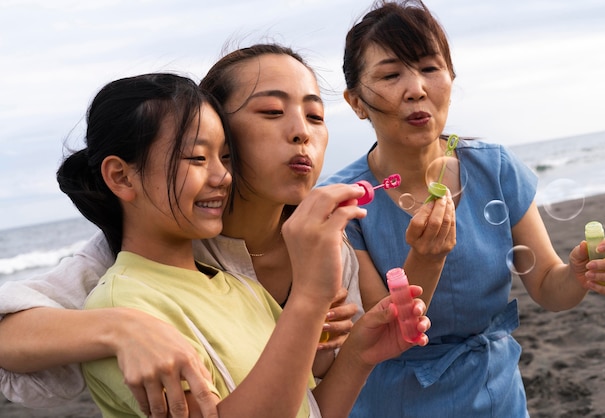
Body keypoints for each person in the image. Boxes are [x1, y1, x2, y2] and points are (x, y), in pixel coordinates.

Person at [0, 43, 420, 417]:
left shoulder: (306, 255)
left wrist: (351, 352)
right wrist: (123, 328)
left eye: (316, 115)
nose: (301, 132)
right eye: (272, 111)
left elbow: (306, 403)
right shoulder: (130, 272)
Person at [319, 1, 605, 417]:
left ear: (450, 77)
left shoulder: (493, 167)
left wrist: (577, 274)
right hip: (392, 400)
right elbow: (387, 329)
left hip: (494, 393)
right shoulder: (343, 201)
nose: (416, 88)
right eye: (391, 75)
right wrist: (427, 258)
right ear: (356, 102)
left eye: (430, 68)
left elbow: (549, 288)